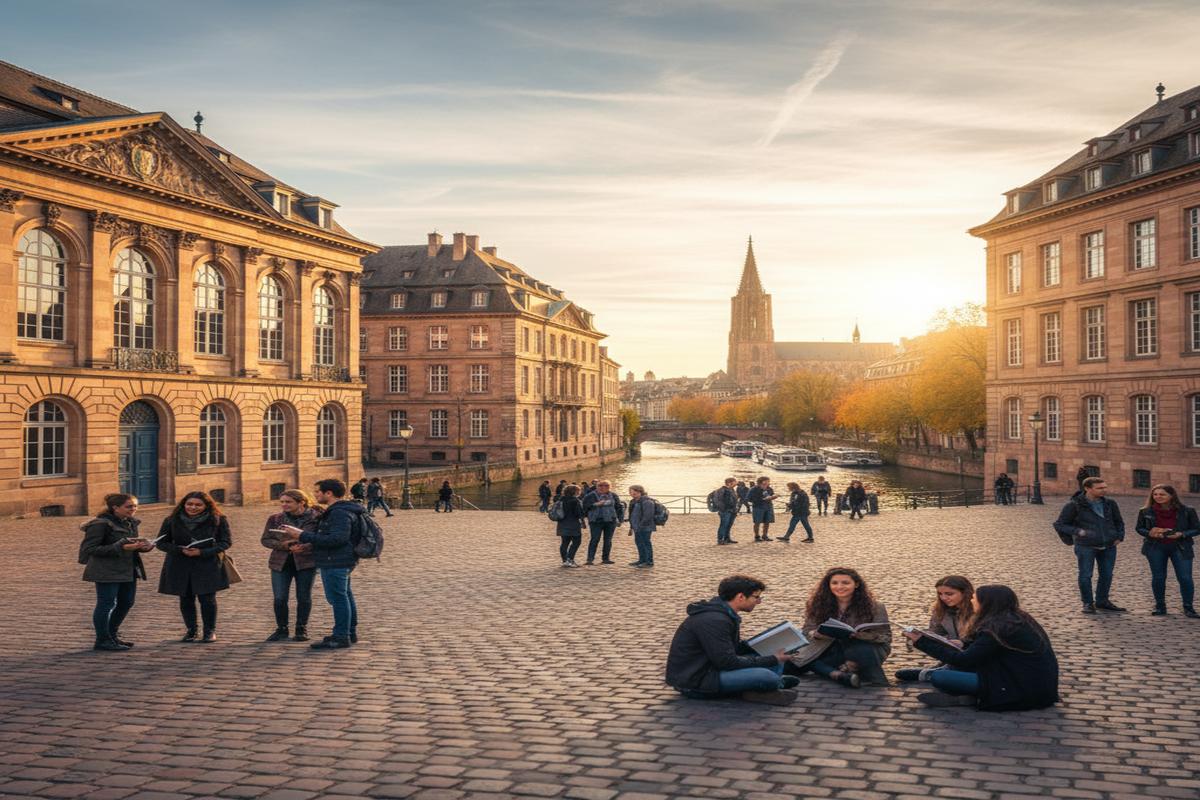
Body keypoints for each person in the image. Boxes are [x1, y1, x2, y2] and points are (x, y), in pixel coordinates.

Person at [904, 585, 1060, 710]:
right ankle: (968, 693)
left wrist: (921, 641)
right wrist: (964, 643)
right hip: (1030, 681)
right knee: (951, 670)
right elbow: (989, 648)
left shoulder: (997, 627)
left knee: (941, 678)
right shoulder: (1016, 618)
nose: (971, 601)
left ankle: (974, 697)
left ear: (986, 603)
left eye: (974, 599)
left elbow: (964, 660)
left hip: (1020, 688)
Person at [665, 575, 801, 705]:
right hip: (698, 681)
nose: (759, 601)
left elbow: (731, 649)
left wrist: (762, 644)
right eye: (756, 597)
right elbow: (727, 662)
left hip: (712, 669)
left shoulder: (724, 614)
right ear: (740, 596)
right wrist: (773, 659)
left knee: (773, 654)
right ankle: (769, 686)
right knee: (767, 675)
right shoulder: (715, 620)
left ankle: (763, 686)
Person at [294, 478, 369, 650]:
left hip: (335, 560)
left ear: (329, 493)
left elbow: (337, 539)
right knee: (344, 596)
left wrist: (301, 535)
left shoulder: (339, 513)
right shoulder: (342, 510)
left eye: (318, 492)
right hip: (340, 559)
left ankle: (341, 636)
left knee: (338, 598)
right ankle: (349, 632)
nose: (315, 495)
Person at [787, 567, 892, 688]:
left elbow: (885, 637)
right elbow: (806, 631)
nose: (839, 587)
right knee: (795, 662)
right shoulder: (818, 604)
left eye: (845, 583)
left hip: (865, 648)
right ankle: (838, 674)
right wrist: (815, 634)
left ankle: (856, 669)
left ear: (856, 584)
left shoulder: (875, 607)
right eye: (834, 583)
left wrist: (860, 635)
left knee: (861, 650)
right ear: (828, 585)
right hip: (829, 647)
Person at [79, 493, 154, 651]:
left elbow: (131, 546)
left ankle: (112, 635)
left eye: (135, 506)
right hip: (106, 570)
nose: (133, 509)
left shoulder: (131, 522)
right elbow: (89, 549)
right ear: (115, 508)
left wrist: (143, 547)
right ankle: (102, 640)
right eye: (129, 506)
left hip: (128, 569)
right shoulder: (100, 524)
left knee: (127, 602)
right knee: (106, 604)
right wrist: (120, 547)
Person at [156, 491, 233, 644]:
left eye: (198, 505)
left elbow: (225, 542)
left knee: (207, 598)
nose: (193, 507)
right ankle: (191, 630)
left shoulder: (218, 520)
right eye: (189, 504)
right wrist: (179, 550)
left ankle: (209, 631)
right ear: (183, 504)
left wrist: (202, 552)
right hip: (180, 564)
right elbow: (161, 543)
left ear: (206, 506)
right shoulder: (171, 520)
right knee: (185, 598)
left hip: (207, 564)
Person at [1053, 477, 1127, 614]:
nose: (1104, 490)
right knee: (1086, 575)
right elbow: (1060, 524)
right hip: (1086, 546)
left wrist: (1119, 536)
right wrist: (1078, 531)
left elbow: (1119, 522)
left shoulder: (1110, 503)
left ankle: (1102, 601)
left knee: (1107, 575)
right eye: (1100, 488)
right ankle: (1087, 603)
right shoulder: (1074, 505)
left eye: (1105, 487)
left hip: (1109, 545)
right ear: (1087, 488)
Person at [261, 489, 321, 642]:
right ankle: (282, 629)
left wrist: (305, 547)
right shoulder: (275, 518)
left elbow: (320, 539)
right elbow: (266, 540)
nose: (284, 505)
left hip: (305, 562)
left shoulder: (316, 518)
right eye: (282, 502)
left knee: (303, 597)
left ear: (301, 502)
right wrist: (284, 545)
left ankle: (301, 629)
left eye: (288, 502)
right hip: (281, 562)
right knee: (280, 598)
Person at [1134, 484, 1199, 618]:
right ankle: (1160, 606)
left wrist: (1182, 534)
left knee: (1185, 578)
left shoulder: (1187, 510)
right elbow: (1139, 528)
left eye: (1162, 494)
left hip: (1180, 547)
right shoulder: (1145, 511)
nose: (1158, 497)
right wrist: (1150, 533)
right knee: (1158, 577)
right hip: (1155, 547)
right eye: (1155, 494)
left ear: (1171, 495)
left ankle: (1188, 607)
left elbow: (1197, 529)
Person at [896, 576, 975, 682]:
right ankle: (945, 668)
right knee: (902, 674)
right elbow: (935, 632)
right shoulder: (940, 610)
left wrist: (961, 642)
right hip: (951, 650)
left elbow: (981, 639)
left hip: (972, 653)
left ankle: (941, 672)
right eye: (940, 594)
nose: (943, 598)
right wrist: (921, 635)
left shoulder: (977, 611)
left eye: (949, 594)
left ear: (965, 592)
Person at [582, 479, 625, 565]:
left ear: (610, 487)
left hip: (610, 520)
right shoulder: (590, 496)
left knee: (608, 540)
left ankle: (605, 558)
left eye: (606, 486)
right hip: (596, 521)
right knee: (595, 539)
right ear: (597, 486)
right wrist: (595, 505)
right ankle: (590, 559)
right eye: (600, 486)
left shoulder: (613, 495)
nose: (603, 488)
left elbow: (619, 508)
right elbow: (584, 507)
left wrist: (619, 519)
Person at [556, 484, 588, 567]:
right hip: (573, 524)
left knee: (564, 543)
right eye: (578, 491)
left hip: (562, 523)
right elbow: (579, 513)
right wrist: (583, 522)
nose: (579, 492)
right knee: (577, 542)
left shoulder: (561, 499)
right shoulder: (575, 501)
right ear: (575, 492)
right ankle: (570, 559)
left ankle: (565, 560)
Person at [628, 484, 657, 568]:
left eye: (633, 491)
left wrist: (641, 525)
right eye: (630, 492)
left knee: (646, 543)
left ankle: (649, 562)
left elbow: (648, 516)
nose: (631, 493)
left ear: (639, 491)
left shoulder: (647, 501)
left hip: (645, 527)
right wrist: (632, 527)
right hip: (637, 527)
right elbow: (632, 514)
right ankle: (642, 560)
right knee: (639, 543)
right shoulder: (634, 501)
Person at [746, 476, 776, 542]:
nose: (769, 482)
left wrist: (773, 497)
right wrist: (761, 499)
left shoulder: (769, 488)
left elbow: (771, 495)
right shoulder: (753, 489)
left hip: (768, 507)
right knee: (757, 522)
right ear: (762, 481)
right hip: (758, 507)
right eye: (767, 481)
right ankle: (757, 536)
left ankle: (765, 535)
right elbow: (748, 499)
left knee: (767, 522)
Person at [714, 477, 740, 545]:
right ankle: (720, 539)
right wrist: (723, 508)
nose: (736, 483)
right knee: (723, 525)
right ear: (730, 483)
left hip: (732, 510)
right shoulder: (721, 490)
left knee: (729, 525)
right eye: (735, 482)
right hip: (725, 511)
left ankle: (727, 538)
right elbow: (717, 501)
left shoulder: (732, 490)